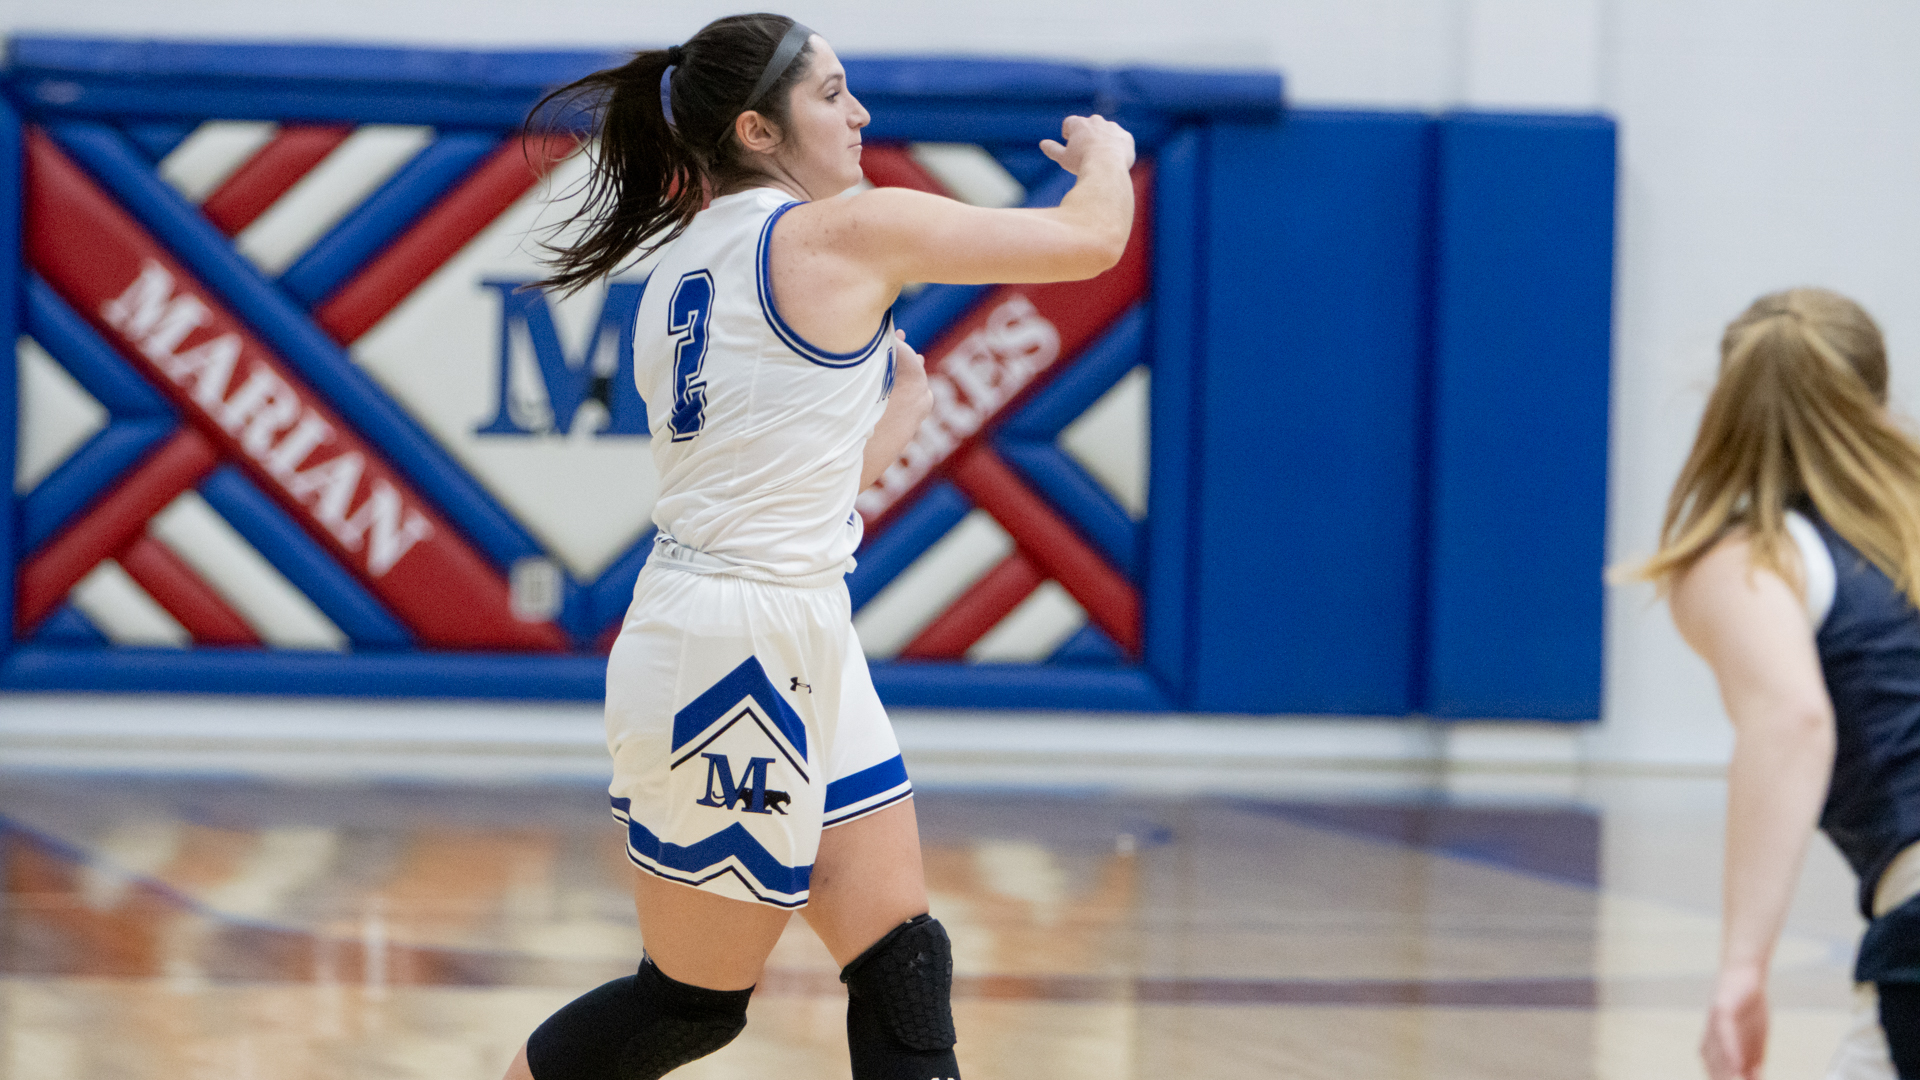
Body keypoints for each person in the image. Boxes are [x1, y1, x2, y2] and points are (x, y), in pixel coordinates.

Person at [500, 13, 1136, 1080]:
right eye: (833, 93)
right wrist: (1109, 159)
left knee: (900, 956)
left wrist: (878, 437)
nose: (861, 114)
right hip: (730, 648)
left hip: (787, 614)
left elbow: (758, 494)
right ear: (758, 128)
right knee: (690, 1007)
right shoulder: (847, 231)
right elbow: (1090, 242)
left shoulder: (678, 274)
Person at [1637, 288, 1920, 1079]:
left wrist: (1741, 969)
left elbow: (1792, 720)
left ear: (1723, 407)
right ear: (1876, 398)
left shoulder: (1755, 559)